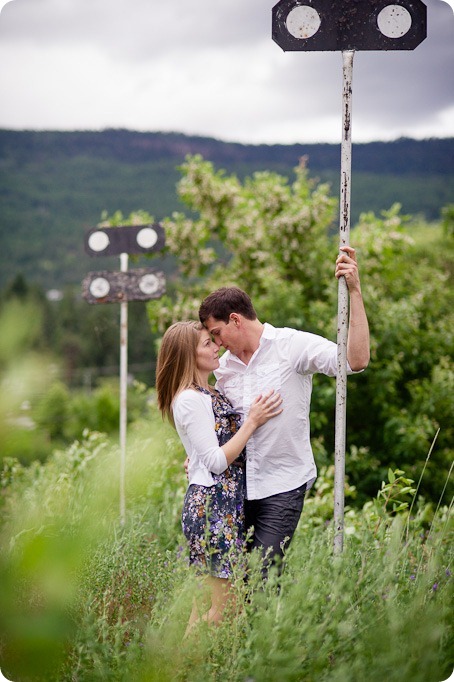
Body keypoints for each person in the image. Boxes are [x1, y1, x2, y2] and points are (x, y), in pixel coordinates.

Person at [198, 246, 370, 572]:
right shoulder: (223, 370)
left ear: (235, 320)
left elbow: (354, 361)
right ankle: (255, 624)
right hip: (238, 488)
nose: (217, 343)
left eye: (217, 333)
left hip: (284, 483)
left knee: (263, 574)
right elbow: (216, 423)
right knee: (235, 579)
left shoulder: (292, 346)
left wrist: (355, 292)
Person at [155, 320, 283, 635]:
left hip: (222, 505)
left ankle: (182, 670)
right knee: (224, 608)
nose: (217, 346)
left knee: (207, 609)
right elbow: (214, 461)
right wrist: (252, 421)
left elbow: (205, 450)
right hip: (213, 507)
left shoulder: (206, 392)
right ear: (188, 355)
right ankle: (183, 670)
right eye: (207, 344)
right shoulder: (189, 399)